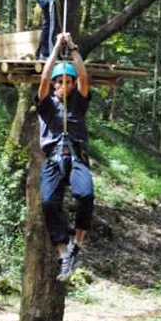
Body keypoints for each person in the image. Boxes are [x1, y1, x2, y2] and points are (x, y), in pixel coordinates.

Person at [36, 32, 93, 281]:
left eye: (67, 82)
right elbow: (44, 78)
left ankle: (77, 244)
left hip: (76, 157)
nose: (63, 86)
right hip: (53, 160)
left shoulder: (79, 104)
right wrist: (55, 50)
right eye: (59, 82)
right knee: (49, 202)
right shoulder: (46, 105)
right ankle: (64, 254)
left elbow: (82, 76)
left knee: (85, 195)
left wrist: (72, 48)